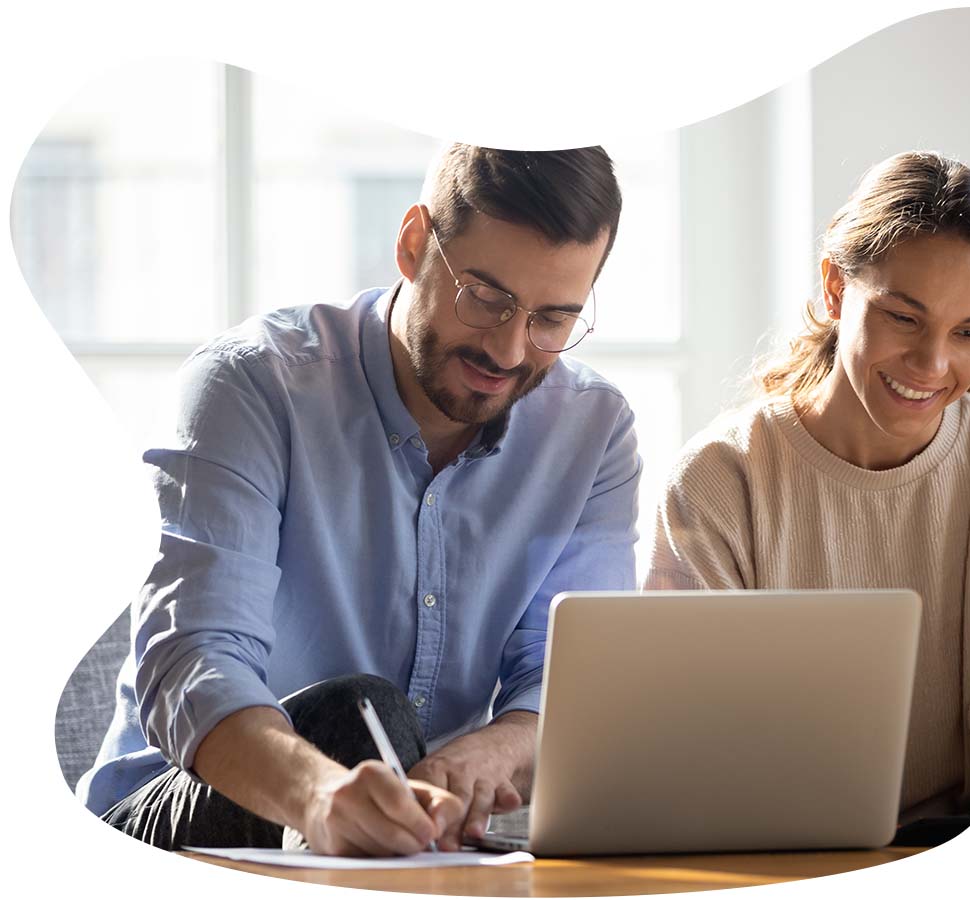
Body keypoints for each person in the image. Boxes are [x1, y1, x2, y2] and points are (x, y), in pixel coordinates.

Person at [77, 144, 641, 856]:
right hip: (175, 810)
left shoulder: (591, 430)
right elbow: (194, 659)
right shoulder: (252, 385)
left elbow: (566, 683)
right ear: (412, 245)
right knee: (359, 716)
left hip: (420, 832)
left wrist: (489, 755)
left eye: (553, 319)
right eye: (486, 298)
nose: (508, 349)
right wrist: (319, 795)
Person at [645, 151, 970, 821]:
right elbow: (686, 736)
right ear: (834, 289)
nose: (933, 364)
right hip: (760, 850)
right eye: (904, 318)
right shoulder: (721, 480)